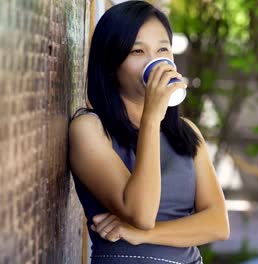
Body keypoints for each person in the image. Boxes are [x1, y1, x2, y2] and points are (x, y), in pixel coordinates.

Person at [68, 1, 229, 263]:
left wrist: (143, 235)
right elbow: (141, 213)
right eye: (137, 51)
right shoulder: (89, 128)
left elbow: (218, 224)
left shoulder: (187, 132)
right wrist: (152, 119)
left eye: (163, 49)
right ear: (112, 63)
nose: (154, 61)